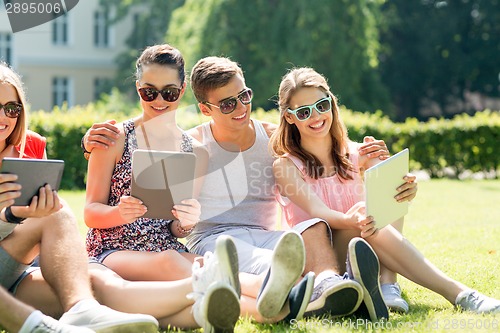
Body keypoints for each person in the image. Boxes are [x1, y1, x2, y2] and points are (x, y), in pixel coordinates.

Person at [83, 56, 394, 320]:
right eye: (228, 103)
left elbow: (323, 145)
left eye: (244, 96)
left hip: (261, 233)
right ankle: (317, 294)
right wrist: (90, 146)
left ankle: (329, 285)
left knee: (310, 230)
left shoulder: (273, 138)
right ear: (206, 110)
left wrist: (363, 157)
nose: (240, 107)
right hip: (215, 238)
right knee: (261, 261)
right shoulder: (193, 145)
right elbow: (149, 162)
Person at [269, 66, 500, 315]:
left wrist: (406, 188)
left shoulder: (360, 153)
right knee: (363, 213)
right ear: (290, 117)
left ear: (331, 104)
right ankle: (459, 294)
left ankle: (387, 281)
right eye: (304, 112)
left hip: (365, 244)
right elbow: (317, 210)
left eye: (321, 106)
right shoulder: (286, 165)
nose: (316, 117)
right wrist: (353, 217)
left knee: (387, 175)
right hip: (320, 259)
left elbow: (389, 202)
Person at [0, 61, 159, 332]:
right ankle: (77, 310)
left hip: (18, 269)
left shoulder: (32, 145)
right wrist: (11, 215)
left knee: (91, 283)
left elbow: (48, 236)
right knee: (57, 214)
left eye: (11, 109)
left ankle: (200, 299)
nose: (4, 117)